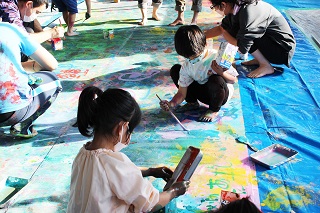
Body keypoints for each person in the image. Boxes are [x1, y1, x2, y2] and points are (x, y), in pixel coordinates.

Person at [67, 86, 190, 212]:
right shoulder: (112, 162)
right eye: (129, 130)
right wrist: (174, 191)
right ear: (121, 128)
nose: (129, 136)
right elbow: (151, 202)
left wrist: (150, 171)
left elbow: (113, 175)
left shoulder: (82, 154)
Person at [159, 25, 237, 122]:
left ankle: (213, 110)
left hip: (220, 95)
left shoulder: (216, 58)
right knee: (176, 70)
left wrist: (221, 73)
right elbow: (181, 93)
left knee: (216, 79)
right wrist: (171, 104)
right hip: (203, 92)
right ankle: (192, 103)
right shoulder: (187, 65)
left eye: (195, 56)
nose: (193, 60)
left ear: (205, 44)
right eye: (190, 57)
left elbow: (234, 80)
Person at [0, 22, 62, 138]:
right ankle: (23, 126)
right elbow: (52, 65)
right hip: (12, 112)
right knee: (54, 80)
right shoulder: (9, 29)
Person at [205, 0, 296, 78]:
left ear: (223, 4)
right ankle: (261, 59)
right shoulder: (237, 7)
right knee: (232, 29)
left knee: (235, 32)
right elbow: (221, 28)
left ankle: (266, 65)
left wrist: (224, 33)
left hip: (281, 51)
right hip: (271, 43)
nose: (216, 9)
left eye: (215, 7)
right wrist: (199, 37)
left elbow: (243, 48)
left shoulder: (248, 11)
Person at [0, 0, 65, 43]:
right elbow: (23, 39)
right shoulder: (8, 9)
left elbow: (32, 19)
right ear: (28, 4)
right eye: (37, 12)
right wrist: (51, 33)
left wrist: (42, 34)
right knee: (28, 32)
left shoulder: (19, 5)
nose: (36, 16)